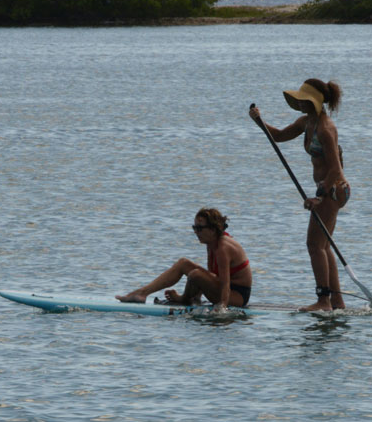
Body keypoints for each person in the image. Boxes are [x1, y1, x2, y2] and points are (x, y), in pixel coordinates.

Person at [249, 79, 349, 312]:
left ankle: (323, 301)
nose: (300, 104)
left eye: (304, 100)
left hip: (334, 189)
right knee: (323, 246)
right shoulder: (307, 122)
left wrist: (321, 197)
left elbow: (336, 169)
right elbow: (279, 136)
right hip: (327, 189)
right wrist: (259, 121)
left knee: (314, 245)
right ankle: (337, 303)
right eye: (300, 100)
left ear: (314, 102)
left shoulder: (326, 129)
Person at [117, 208, 253, 309]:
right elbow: (213, 276)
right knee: (183, 263)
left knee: (195, 274)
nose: (195, 232)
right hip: (226, 289)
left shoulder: (223, 248)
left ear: (212, 229)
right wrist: (199, 295)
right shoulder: (211, 242)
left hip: (237, 296)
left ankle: (184, 299)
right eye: (194, 227)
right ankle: (142, 293)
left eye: (199, 228)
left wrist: (222, 307)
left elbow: (225, 283)